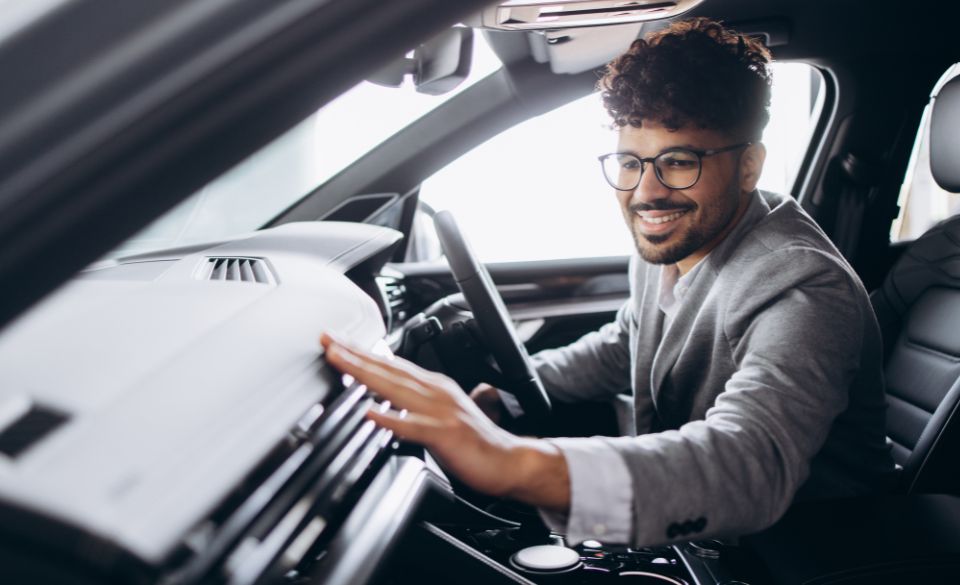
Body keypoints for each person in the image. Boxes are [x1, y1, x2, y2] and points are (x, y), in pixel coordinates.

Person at [320, 18, 897, 547]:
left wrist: (511, 459)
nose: (646, 193)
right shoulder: (674, 237)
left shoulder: (802, 286)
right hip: (701, 536)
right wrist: (512, 393)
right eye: (629, 162)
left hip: (802, 552)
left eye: (679, 161)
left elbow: (752, 462)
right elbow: (626, 345)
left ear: (749, 165)